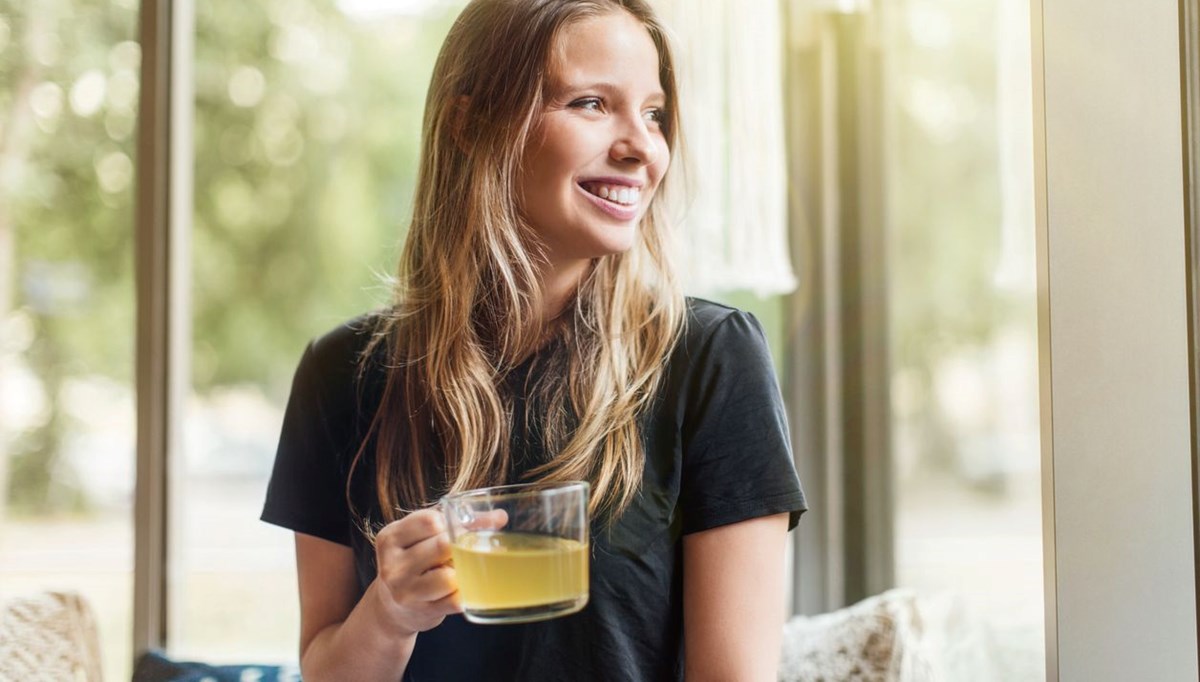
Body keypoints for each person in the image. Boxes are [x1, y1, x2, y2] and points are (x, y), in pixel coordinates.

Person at [260, 0, 807, 679]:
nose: (643, 147)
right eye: (590, 103)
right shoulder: (341, 373)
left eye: (655, 113)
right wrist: (389, 613)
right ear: (472, 124)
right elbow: (325, 668)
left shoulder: (710, 359)